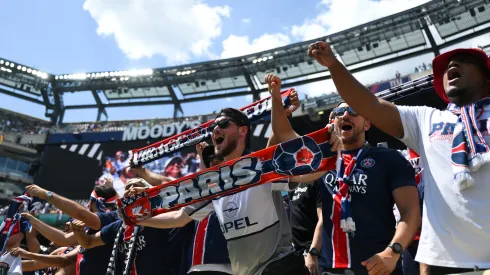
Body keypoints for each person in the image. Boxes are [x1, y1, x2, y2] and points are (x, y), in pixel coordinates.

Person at [307, 42, 490, 273]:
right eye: (446, 67)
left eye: (466, 61)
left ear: (486, 79)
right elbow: (370, 104)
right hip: (444, 261)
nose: (453, 64)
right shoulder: (425, 119)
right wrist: (334, 66)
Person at [133, 103, 328, 275]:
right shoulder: (213, 185)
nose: (216, 129)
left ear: (243, 131)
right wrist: (136, 218)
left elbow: (305, 173)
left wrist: (330, 154)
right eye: (213, 127)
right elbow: (178, 218)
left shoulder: (261, 167)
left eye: (223, 124)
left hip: (280, 266)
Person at [267, 73, 421, 275]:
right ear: (332, 123)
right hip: (330, 269)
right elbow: (285, 138)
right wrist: (277, 99)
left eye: (354, 111)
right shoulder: (321, 160)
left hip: (378, 267)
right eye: (340, 111)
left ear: (367, 124)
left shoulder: (389, 158)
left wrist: (392, 252)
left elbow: (410, 212)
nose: (346, 115)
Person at [70, 178, 192, 275]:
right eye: (128, 187)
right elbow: (88, 242)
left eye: (138, 185)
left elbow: (182, 205)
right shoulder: (119, 225)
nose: (132, 189)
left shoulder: (165, 213)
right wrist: (79, 233)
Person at [24, 185, 120, 275]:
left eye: (68, 227)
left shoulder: (111, 220)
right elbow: (64, 239)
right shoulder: (98, 227)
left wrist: (46, 194)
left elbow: (80, 214)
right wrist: (34, 221)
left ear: (92, 202)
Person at [12, 245, 79, 275]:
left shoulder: (82, 255)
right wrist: (6, 264)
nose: (51, 244)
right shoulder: (62, 250)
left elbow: (63, 260)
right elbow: (33, 265)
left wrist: (27, 254)